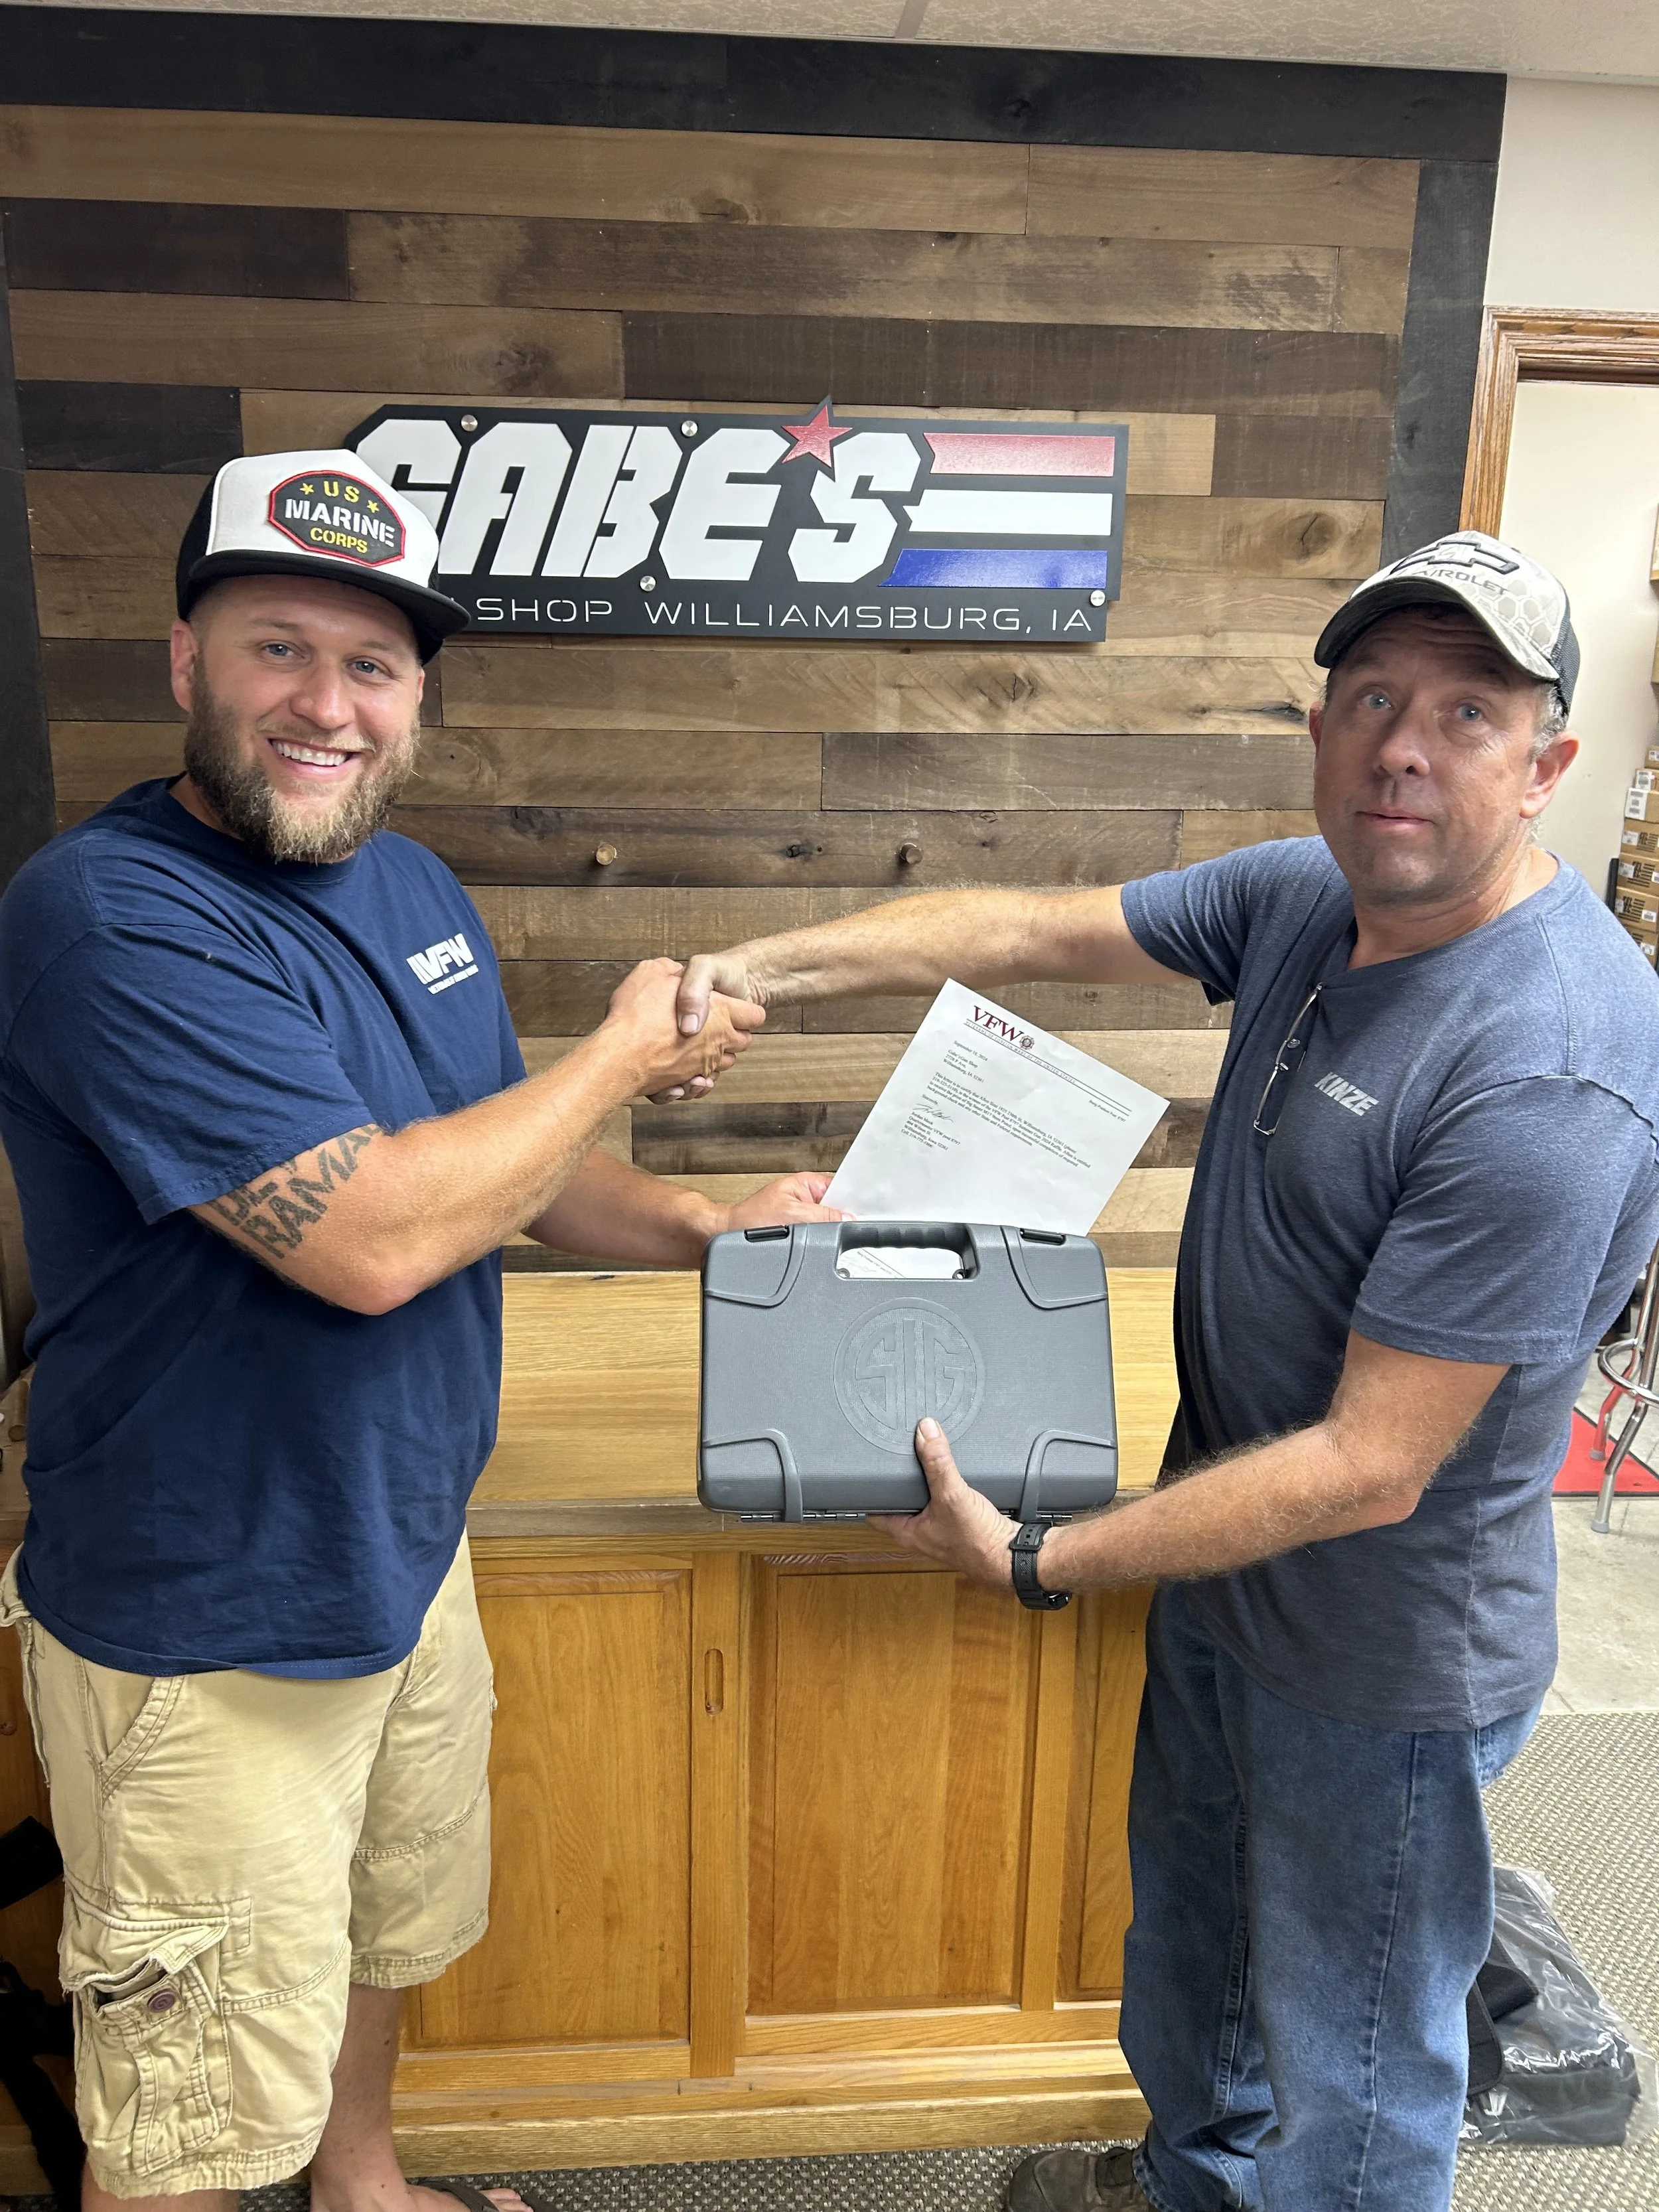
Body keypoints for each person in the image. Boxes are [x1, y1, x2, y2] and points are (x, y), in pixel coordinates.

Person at [673, 532, 1659, 2212]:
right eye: (1370, 700)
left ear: (1545, 765)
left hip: (1379, 1649)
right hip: (1222, 1567)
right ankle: (1189, 2185)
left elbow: (1369, 1465)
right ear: (1319, 730)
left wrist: (1042, 1556)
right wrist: (749, 971)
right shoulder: (1305, 896)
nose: (1403, 748)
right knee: (1193, 1976)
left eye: (1465, 714)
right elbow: (1022, 928)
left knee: (1352, 2077)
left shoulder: (1545, 1065)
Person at [0, 449, 837, 2212]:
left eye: (371, 666)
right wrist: (618, 1056)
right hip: (207, 1603)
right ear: (185, 661)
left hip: (399, 1539)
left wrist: (701, 1226)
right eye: (277, 649)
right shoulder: (110, 913)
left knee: (383, 1920)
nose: (327, 705)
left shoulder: (414, 890)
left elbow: (500, 1164)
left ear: (415, 698)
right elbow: (374, 1237)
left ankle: (362, 2187)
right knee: (186, 2107)